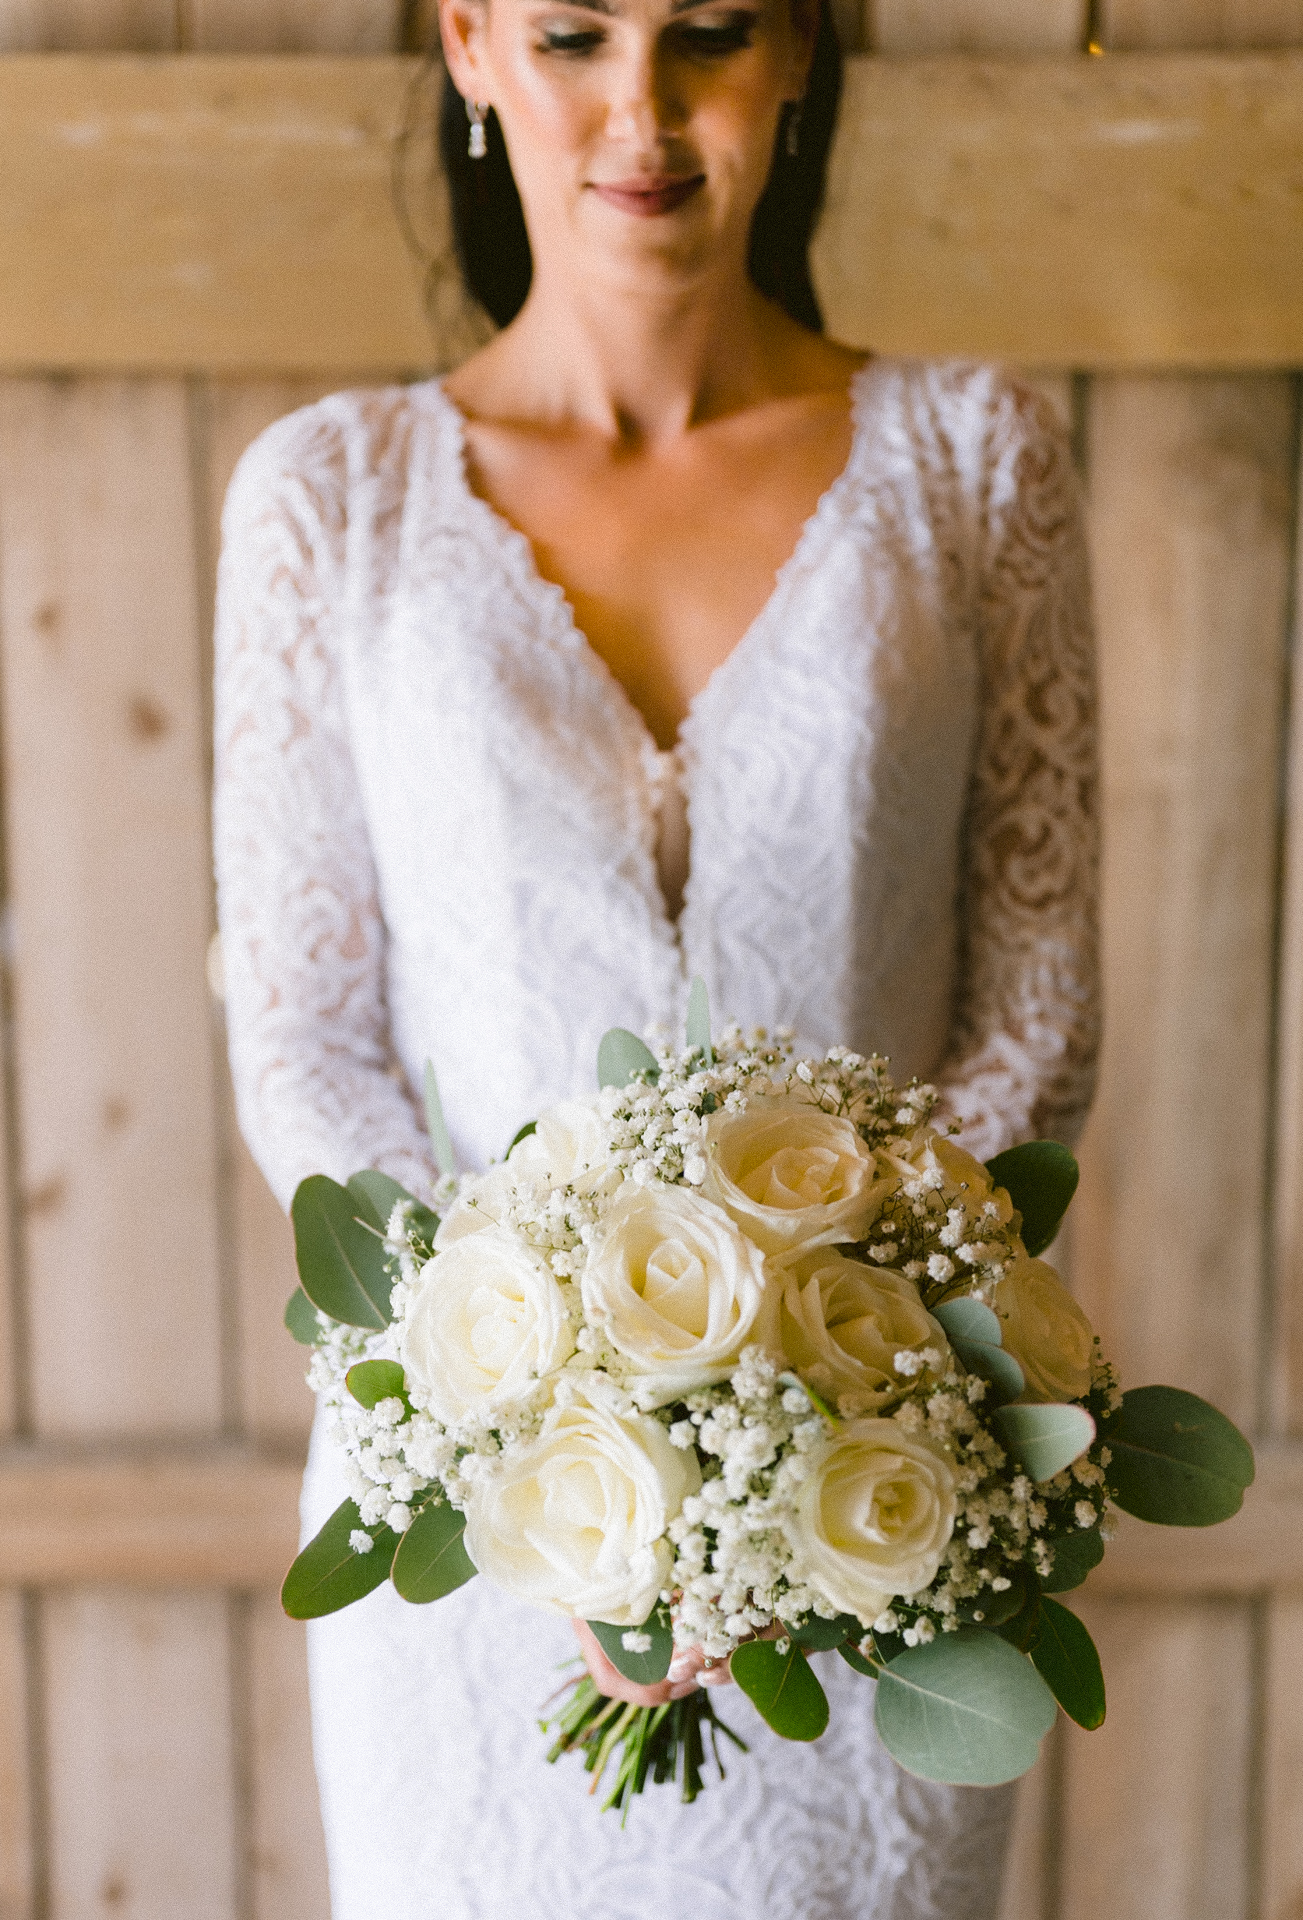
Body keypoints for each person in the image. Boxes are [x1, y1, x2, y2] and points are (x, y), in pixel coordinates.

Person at [212, 0, 1099, 1906]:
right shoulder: (330, 500)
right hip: (475, 1524)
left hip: (877, 1514)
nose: (644, 109)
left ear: (798, 54)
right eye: (574, 33)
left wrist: (812, 1392)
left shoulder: (977, 462)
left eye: (706, 34)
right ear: (469, 45)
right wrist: (542, 1402)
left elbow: (1032, 1016)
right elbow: (309, 1046)